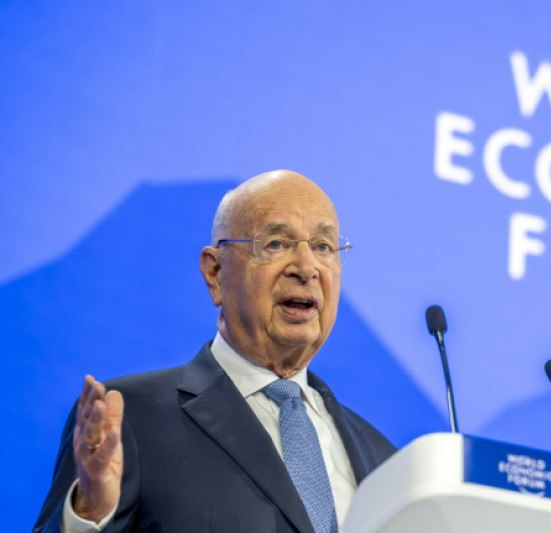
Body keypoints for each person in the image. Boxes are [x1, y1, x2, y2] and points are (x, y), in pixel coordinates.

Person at [33, 170, 396, 533]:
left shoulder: (384, 459)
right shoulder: (132, 420)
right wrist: (89, 514)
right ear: (215, 272)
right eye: (275, 244)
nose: (306, 268)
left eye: (323, 247)